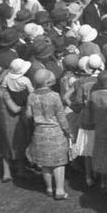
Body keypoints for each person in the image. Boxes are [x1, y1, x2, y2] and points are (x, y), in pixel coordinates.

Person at [26, 67, 71, 200]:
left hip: (39, 132)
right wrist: (68, 131)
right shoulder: (54, 96)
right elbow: (61, 116)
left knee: (45, 163)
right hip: (55, 132)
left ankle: (49, 188)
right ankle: (60, 190)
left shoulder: (31, 96)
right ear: (47, 81)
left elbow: (28, 115)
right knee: (58, 163)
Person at [0, 59, 33, 183]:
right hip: (15, 118)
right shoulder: (22, 83)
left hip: (3, 120)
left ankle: (8, 171)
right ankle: (19, 169)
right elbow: (15, 108)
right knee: (19, 142)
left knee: (5, 144)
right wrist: (24, 106)